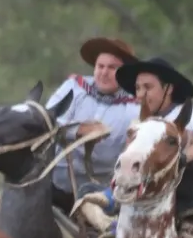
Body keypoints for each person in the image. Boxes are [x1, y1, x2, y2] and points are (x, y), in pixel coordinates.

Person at [46, 37, 141, 205]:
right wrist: (78, 131)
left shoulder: (135, 110)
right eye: (100, 66)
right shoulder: (73, 88)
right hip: (49, 182)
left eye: (112, 68)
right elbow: (45, 123)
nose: (104, 73)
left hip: (95, 196)